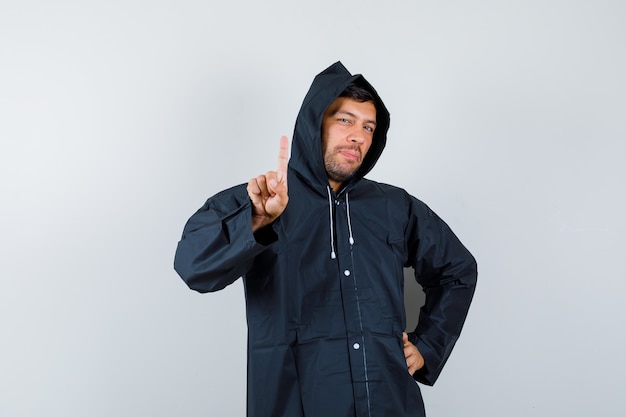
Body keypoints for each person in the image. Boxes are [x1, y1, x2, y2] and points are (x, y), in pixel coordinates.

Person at [174, 61, 477, 417]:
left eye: (369, 126)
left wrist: (428, 346)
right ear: (314, 124)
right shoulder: (266, 199)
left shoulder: (395, 206)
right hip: (295, 403)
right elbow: (192, 265)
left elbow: (457, 270)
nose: (358, 136)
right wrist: (254, 222)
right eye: (345, 120)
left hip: (389, 403)